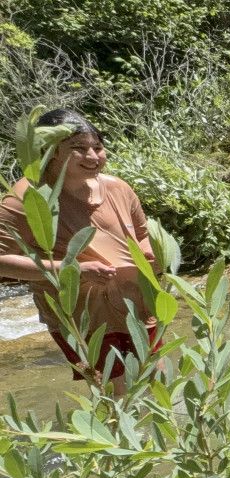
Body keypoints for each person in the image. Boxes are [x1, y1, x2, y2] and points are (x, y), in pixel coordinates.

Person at [0, 109, 158, 391]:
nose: (94, 156)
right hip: (82, 317)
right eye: (79, 149)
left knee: (158, 385)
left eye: (97, 147)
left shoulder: (119, 188)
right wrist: (74, 270)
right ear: (49, 151)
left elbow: (142, 235)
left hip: (138, 307)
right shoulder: (26, 198)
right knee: (117, 398)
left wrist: (149, 258)